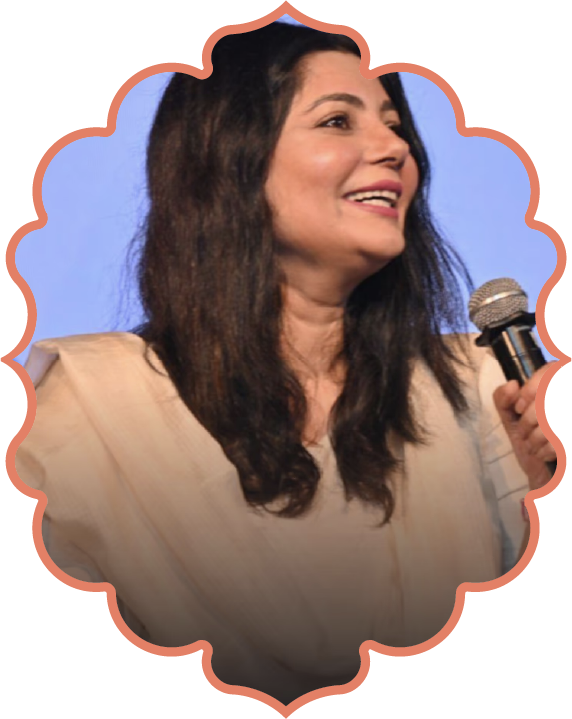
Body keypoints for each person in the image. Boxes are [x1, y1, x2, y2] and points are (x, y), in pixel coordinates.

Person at [16, 22, 556, 705]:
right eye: (337, 121)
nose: (395, 148)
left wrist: (547, 491)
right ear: (230, 159)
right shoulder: (88, 407)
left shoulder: (482, 389)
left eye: (396, 126)